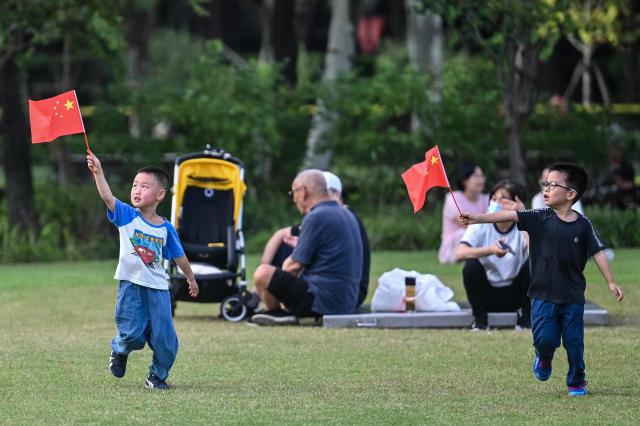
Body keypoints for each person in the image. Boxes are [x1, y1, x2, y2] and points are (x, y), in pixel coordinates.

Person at [459, 163, 624, 397]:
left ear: (570, 194)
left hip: (573, 295)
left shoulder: (583, 224)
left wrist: (610, 281)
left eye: (552, 185)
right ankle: (544, 358)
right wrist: (476, 218)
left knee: (574, 342)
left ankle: (576, 381)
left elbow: (597, 252)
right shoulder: (538, 217)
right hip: (542, 294)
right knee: (545, 339)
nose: (545, 189)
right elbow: (508, 214)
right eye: (544, 184)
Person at [86, 152, 199, 390]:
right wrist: (99, 172)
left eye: (144, 186)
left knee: (166, 340)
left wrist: (190, 277)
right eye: (135, 185)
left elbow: (179, 256)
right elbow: (107, 197)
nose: (136, 190)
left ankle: (156, 376)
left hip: (159, 290)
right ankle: (119, 350)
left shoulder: (166, 228)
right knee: (133, 334)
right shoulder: (127, 216)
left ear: (160, 195)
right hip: (131, 286)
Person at [251, 169, 363, 325]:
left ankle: (278, 312)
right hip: (347, 301)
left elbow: (294, 266)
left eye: (294, 192)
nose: (294, 199)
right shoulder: (347, 214)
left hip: (320, 301)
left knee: (262, 273)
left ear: (304, 192)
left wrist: (273, 286)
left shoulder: (316, 216)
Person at [455, 180, 530, 331]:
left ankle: (525, 321)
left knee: (535, 264)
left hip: (516, 293)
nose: (496, 203)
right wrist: (490, 250)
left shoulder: (524, 225)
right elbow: (460, 253)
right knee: (471, 266)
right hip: (487, 292)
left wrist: (523, 216)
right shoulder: (480, 223)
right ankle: (481, 322)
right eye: (493, 198)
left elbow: (537, 254)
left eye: (502, 199)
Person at [438, 162, 489, 264]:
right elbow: (465, 223)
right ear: (465, 180)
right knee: (465, 234)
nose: (481, 180)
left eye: (481, 176)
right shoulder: (452, 198)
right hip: (455, 243)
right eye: (476, 176)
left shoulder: (486, 199)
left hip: (481, 237)